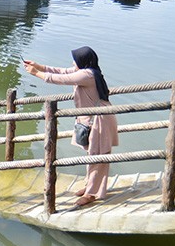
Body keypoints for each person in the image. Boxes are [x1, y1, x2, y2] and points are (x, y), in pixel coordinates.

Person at [23, 46, 119, 207]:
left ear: (83, 61)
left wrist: (35, 73)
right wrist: (39, 66)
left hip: (98, 120)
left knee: (97, 156)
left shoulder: (87, 75)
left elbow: (61, 79)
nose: (72, 62)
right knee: (92, 154)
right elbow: (62, 72)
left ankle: (92, 193)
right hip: (91, 119)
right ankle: (91, 185)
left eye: (75, 60)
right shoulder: (88, 71)